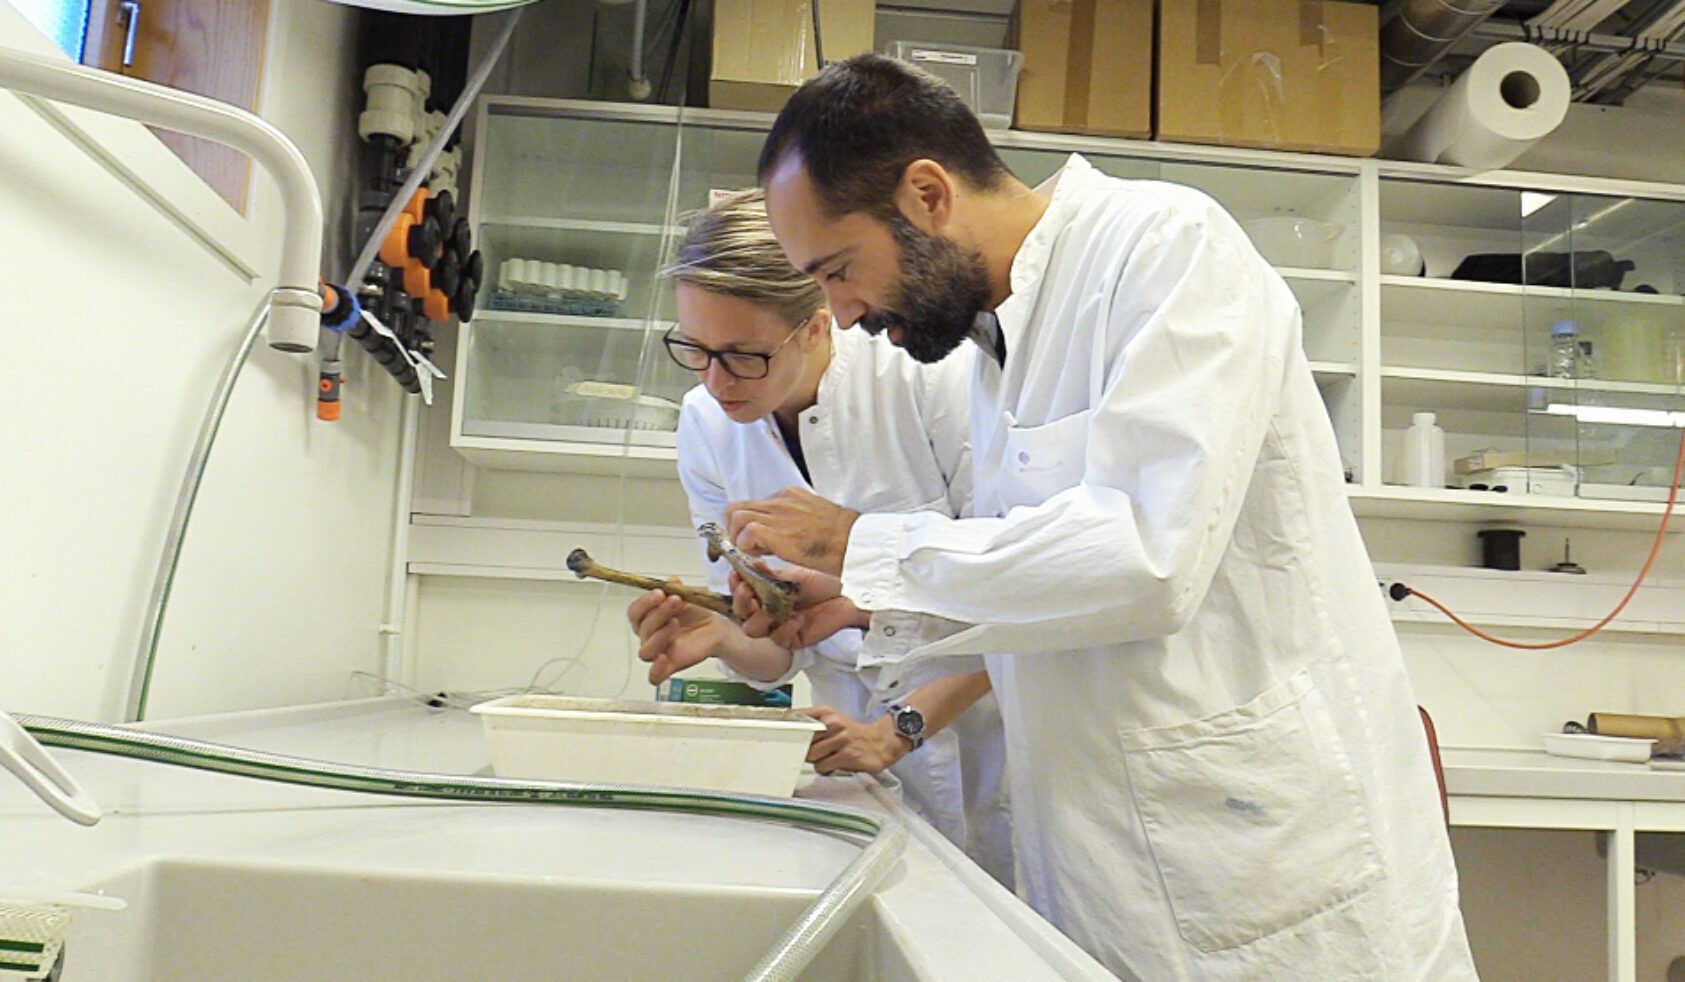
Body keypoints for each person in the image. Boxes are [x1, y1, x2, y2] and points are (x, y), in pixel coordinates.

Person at [727, 54, 1479, 980]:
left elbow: (1145, 558)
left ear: (926, 195)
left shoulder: (1165, 249)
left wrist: (861, 542)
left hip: (1257, 863)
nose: (840, 316)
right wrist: (861, 603)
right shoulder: (997, 343)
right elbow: (1053, 585)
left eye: (837, 271)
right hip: (1109, 860)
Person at [625, 188, 1012, 886]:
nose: (715, 382)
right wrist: (719, 633)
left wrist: (899, 732)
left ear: (816, 323)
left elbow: (1019, 598)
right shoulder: (705, 426)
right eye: (696, 349)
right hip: (853, 764)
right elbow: (776, 647)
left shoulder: (928, 378)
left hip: (992, 745)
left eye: (743, 355)